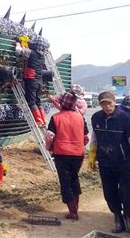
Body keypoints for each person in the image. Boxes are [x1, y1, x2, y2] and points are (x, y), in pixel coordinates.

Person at [89, 91, 130, 233]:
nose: (107, 106)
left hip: (123, 161)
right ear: (100, 105)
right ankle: (117, 217)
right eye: (103, 104)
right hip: (105, 162)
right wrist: (92, 154)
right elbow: (94, 137)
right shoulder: (96, 118)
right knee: (109, 192)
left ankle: (128, 215)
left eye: (109, 103)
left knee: (125, 190)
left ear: (114, 102)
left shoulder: (127, 118)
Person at [45, 92, 89, 220]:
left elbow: (50, 136)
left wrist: (48, 148)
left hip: (61, 153)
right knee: (74, 178)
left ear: (62, 104)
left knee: (65, 182)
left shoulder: (56, 118)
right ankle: (75, 207)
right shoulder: (80, 117)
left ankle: (73, 212)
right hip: (78, 154)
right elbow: (86, 137)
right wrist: (80, 145)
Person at [15, 36, 50, 127]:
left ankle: (38, 121)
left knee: (31, 102)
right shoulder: (42, 56)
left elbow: (18, 52)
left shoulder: (31, 53)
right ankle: (43, 120)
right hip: (39, 81)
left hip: (31, 80)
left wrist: (18, 44)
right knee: (38, 102)